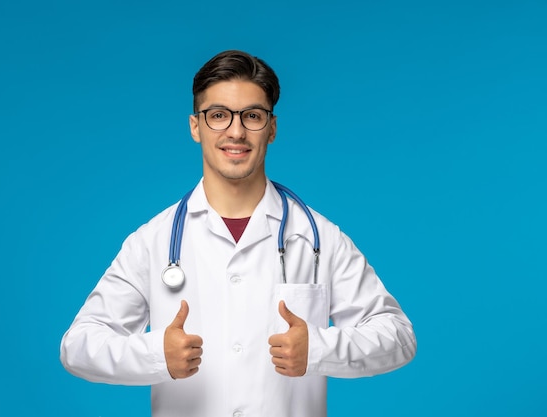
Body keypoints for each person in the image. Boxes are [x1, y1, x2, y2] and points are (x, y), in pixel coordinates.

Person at [60, 50, 416, 417]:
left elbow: (399, 336)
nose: (236, 131)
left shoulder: (318, 237)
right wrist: (154, 356)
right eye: (218, 115)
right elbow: (79, 345)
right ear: (195, 127)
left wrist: (320, 349)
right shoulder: (153, 241)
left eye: (253, 116)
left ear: (272, 129)